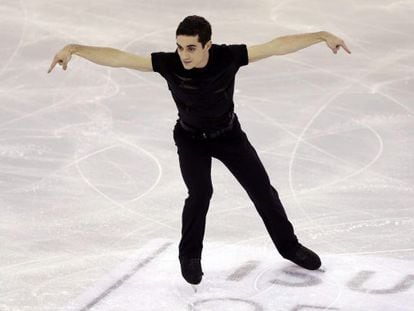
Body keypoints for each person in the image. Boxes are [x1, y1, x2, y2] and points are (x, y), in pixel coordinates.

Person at [48, 15, 351, 285]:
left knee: (262, 190)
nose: (183, 55)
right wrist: (74, 48)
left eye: (191, 48)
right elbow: (120, 58)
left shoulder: (228, 57)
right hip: (190, 139)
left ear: (207, 46)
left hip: (229, 136)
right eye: (179, 47)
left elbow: (276, 45)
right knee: (200, 194)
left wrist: (321, 34)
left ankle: (289, 247)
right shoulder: (168, 64)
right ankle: (189, 257)